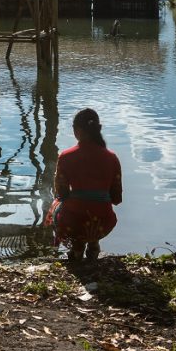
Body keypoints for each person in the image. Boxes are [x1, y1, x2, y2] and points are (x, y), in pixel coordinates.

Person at [49, 108, 122, 263]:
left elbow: (61, 193)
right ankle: (94, 244)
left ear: (77, 131)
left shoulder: (66, 156)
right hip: (104, 223)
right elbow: (116, 198)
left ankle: (77, 247)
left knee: (55, 206)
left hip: (73, 224)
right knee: (96, 207)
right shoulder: (112, 157)